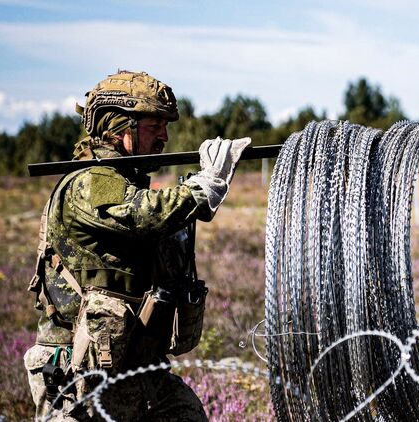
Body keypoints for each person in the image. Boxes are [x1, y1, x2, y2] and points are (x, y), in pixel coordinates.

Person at [23, 70, 250, 420]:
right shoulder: (90, 181)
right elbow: (140, 213)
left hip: (138, 366)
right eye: (154, 125)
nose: (164, 136)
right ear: (118, 126)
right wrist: (204, 187)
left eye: (166, 126)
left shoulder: (125, 181)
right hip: (80, 371)